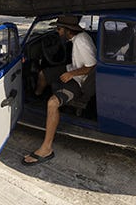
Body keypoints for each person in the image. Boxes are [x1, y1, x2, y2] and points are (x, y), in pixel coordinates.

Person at [22, 15, 96, 165]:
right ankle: (37, 96)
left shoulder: (81, 42)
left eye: (59, 28)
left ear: (68, 30)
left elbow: (91, 66)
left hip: (80, 81)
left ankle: (46, 148)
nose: (57, 31)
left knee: (52, 103)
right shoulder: (77, 38)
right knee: (43, 74)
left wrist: (70, 74)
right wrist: (70, 71)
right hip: (74, 70)